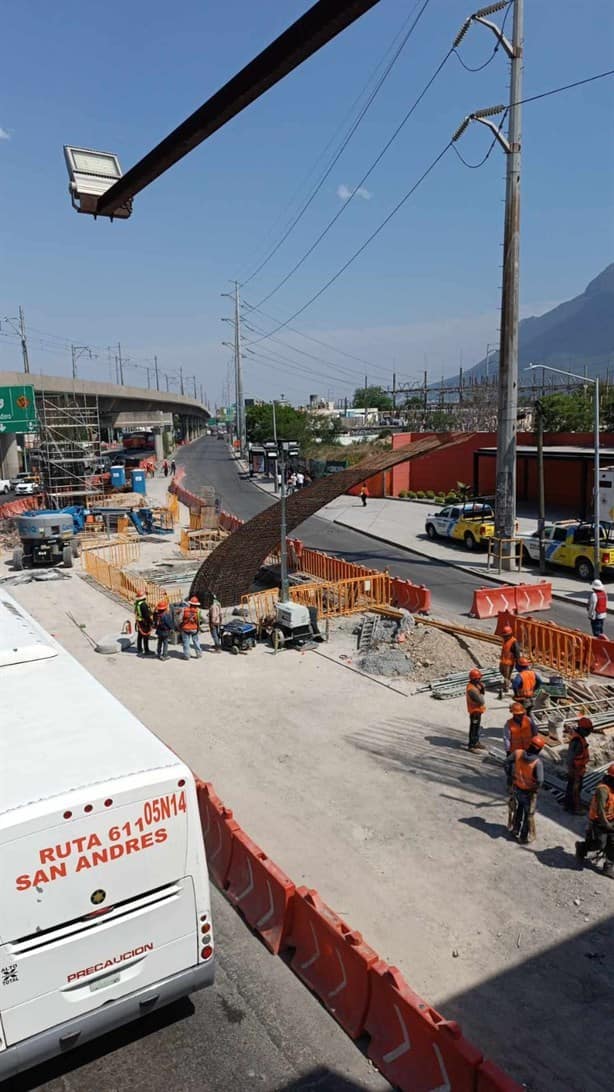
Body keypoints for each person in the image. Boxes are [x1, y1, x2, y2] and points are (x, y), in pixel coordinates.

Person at [504, 735, 546, 844]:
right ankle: (523, 837)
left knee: (519, 809)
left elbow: (506, 763)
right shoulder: (537, 763)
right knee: (528, 815)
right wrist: (535, 789)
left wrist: (510, 776)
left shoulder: (518, 753)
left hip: (517, 788)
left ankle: (515, 829)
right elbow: (540, 781)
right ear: (539, 749)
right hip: (529, 793)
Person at [575, 764, 614, 878]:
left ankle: (608, 866)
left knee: (613, 843)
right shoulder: (603, 790)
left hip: (611, 820)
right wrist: (607, 825)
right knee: (600, 844)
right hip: (599, 821)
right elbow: (600, 811)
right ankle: (583, 847)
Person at [504, 703, 536, 830]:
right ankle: (512, 787)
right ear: (513, 714)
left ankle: (524, 785)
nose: (519, 716)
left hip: (527, 753)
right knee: (512, 773)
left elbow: (535, 733)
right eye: (517, 715)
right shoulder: (509, 725)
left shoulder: (529, 721)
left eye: (521, 714)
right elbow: (506, 739)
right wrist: (508, 753)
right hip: (515, 753)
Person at [564, 717, 593, 814]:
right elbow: (570, 757)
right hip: (576, 770)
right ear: (582, 729)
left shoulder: (580, 738)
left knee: (572, 788)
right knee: (575, 790)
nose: (589, 733)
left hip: (578, 769)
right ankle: (575, 809)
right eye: (588, 730)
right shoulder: (577, 741)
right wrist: (571, 770)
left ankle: (567, 806)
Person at [466, 668, 486, 753]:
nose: (480, 679)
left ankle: (476, 742)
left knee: (476, 728)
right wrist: (481, 691)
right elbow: (481, 701)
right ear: (475, 679)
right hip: (475, 712)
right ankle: (471, 745)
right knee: (474, 728)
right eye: (479, 678)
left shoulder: (474, 686)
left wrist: (481, 688)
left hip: (477, 711)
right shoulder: (472, 689)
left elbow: (481, 694)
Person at [498, 624, 522, 698]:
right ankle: (510, 681)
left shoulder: (514, 642)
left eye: (505, 636)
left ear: (510, 634)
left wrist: (518, 661)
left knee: (506, 676)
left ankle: (506, 688)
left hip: (509, 662)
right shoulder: (506, 640)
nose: (504, 637)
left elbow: (517, 652)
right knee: (502, 672)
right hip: (503, 661)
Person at [179, 595, 203, 660]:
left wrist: (180, 625)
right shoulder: (198, 611)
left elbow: (179, 619)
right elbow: (199, 620)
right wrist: (198, 627)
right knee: (196, 641)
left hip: (185, 628)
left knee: (186, 642)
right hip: (194, 629)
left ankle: (186, 656)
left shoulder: (184, 610)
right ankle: (199, 654)